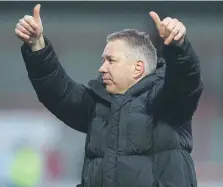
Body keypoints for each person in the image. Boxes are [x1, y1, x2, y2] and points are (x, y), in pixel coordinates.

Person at [15, 4, 203, 187]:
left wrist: (179, 48)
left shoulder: (168, 100)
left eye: (110, 60)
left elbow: (186, 80)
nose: (101, 68)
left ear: (138, 68)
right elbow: (59, 93)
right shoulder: (98, 104)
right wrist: (37, 47)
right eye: (103, 60)